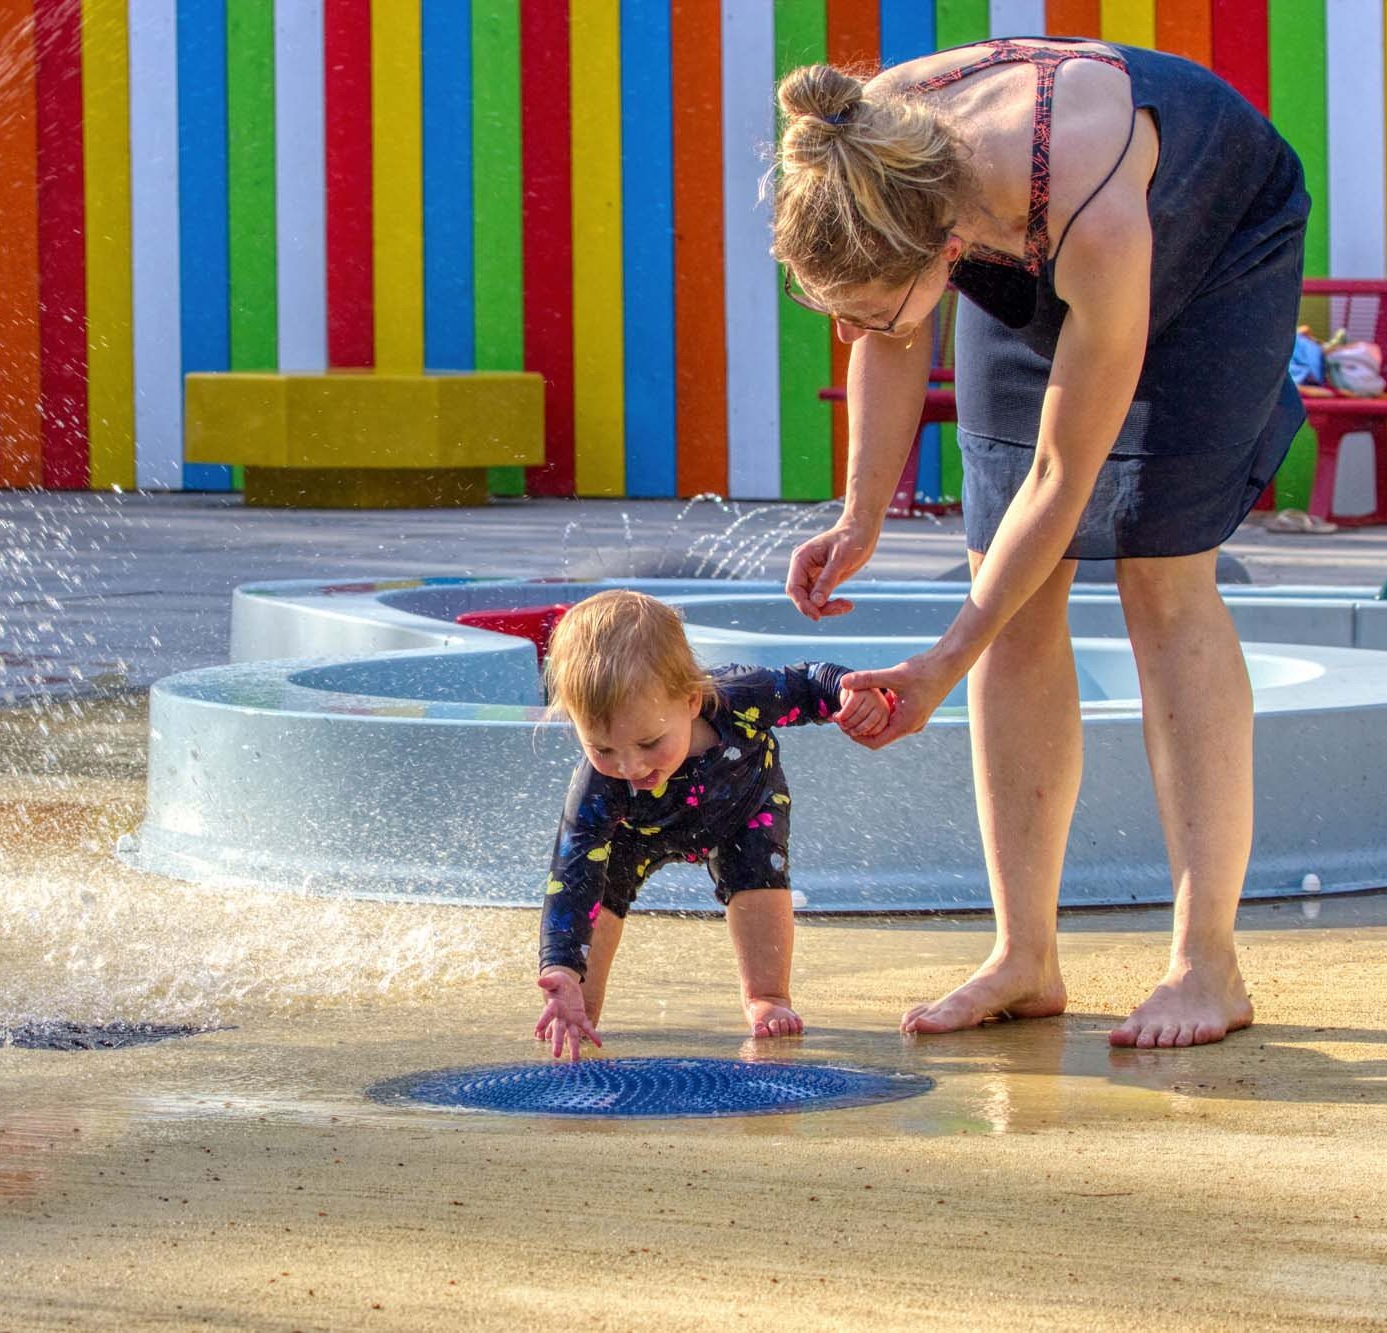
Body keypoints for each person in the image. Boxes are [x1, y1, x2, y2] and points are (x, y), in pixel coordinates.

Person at [772, 38, 1309, 1048]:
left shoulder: (1089, 200)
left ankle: (1205, 962)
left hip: (1208, 241)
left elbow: (1063, 480)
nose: (851, 333)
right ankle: (1022, 956)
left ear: (935, 254)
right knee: (1008, 595)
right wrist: (860, 514)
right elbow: (887, 335)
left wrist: (936, 663)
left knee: (1160, 579)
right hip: (1012, 225)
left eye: (863, 309)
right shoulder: (872, 153)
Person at [531, 590, 889, 1060]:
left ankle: (768, 998)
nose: (631, 765)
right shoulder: (600, 786)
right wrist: (559, 965)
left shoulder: (741, 699)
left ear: (691, 700)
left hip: (742, 806)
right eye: (603, 749)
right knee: (599, 898)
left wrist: (847, 691)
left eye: (649, 742)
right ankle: (582, 1007)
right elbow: (571, 874)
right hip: (632, 835)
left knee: (758, 878)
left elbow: (806, 683)